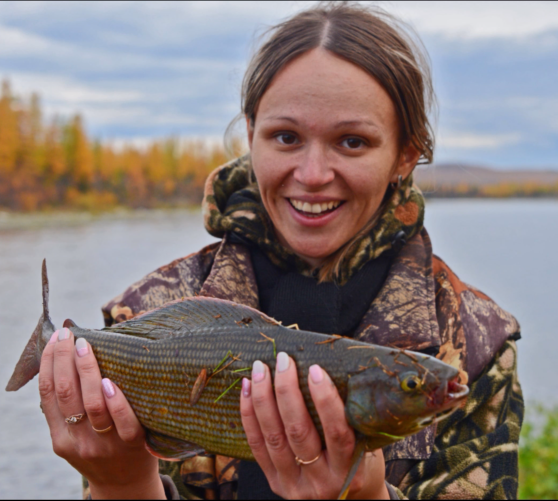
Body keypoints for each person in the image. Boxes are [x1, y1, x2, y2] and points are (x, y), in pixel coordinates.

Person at [38, 3, 523, 499]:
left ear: (404, 153)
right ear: (251, 136)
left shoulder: (473, 341)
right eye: (286, 137)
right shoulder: (145, 312)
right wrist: (123, 484)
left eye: (352, 141)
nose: (313, 174)